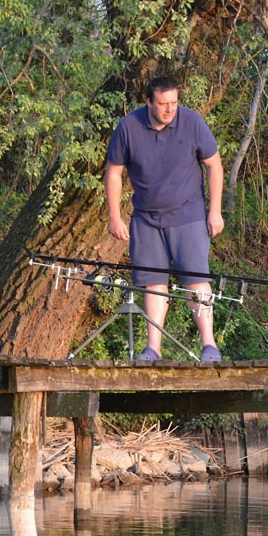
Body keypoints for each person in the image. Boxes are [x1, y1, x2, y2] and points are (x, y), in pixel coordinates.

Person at [104, 76, 225, 362]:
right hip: (146, 218)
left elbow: (214, 165)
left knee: (197, 279)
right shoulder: (129, 127)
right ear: (148, 102)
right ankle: (152, 348)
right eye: (162, 104)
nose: (169, 109)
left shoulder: (192, 122)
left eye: (173, 103)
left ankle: (209, 346)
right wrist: (114, 216)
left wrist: (215, 210)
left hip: (188, 214)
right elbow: (113, 173)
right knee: (153, 282)